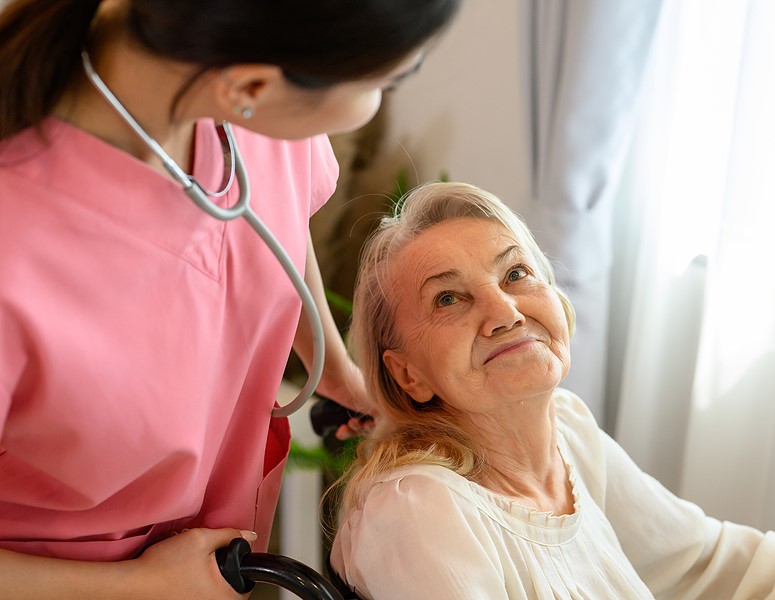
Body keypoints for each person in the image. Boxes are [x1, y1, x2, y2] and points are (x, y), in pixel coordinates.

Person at [0, 0, 460, 597]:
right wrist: (140, 587)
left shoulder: (236, 87)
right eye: (388, 80)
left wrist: (336, 367)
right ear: (251, 84)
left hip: (217, 559)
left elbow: (270, 218)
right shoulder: (17, 244)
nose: (391, 88)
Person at [329, 181, 775, 600]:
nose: (504, 312)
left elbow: (703, 562)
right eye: (448, 299)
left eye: (516, 274)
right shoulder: (418, 511)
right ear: (407, 375)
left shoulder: (569, 433)